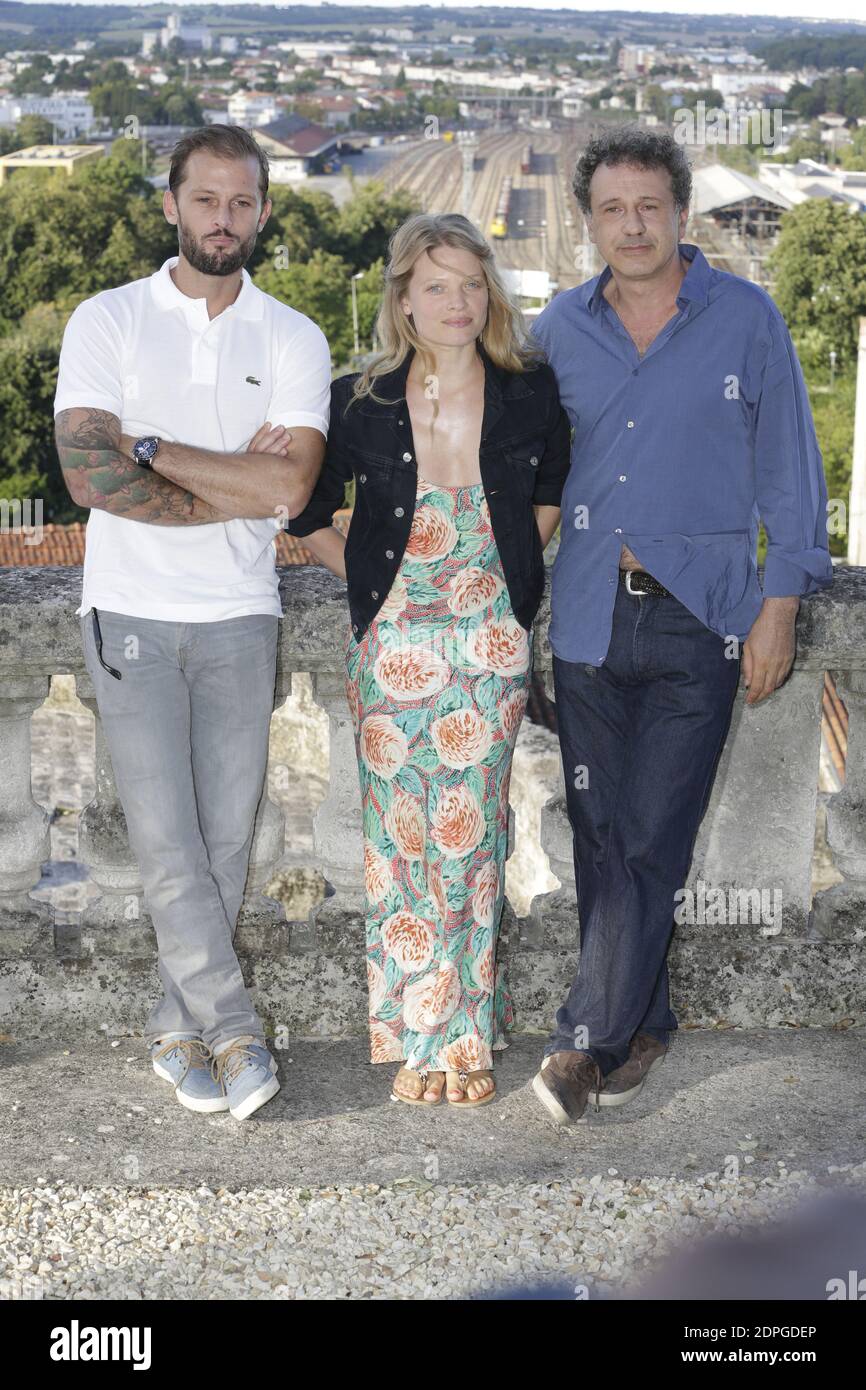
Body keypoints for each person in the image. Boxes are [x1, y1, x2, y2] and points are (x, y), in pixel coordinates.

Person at [530, 125, 833, 1126]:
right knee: (598, 836)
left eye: (647, 206)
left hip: (699, 620)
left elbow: (790, 471)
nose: (630, 224)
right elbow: (507, 468)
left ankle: (583, 1040)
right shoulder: (553, 332)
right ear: (586, 222)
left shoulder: (744, 320)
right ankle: (644, 1019)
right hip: (581, 620)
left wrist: (778, 604)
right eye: (610, 209)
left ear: (680, 214)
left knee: (653, 835)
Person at [53, 124, 331, 1120]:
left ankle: (176, 1029)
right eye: (204, 199)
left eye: (242, 202)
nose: (223, 219)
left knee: (222, 843)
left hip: (238, 615)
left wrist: (156, 447)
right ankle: (232, 1030)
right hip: (128, 611)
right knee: (169, 842)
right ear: (172, 204)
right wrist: (235, 484)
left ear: (261, 211)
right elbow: (87, 472)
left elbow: (293, 484)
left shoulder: (293, 336)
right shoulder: (108, 319)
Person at [287, 213, 571, 1107]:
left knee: (470, 838)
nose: (458, 302)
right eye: (438, 284)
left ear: (490, 295)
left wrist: (492, 588)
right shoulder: (359, 398)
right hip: (391, 639)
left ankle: (464, 1033)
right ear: (404, 298)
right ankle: (416, 1035)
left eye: (472, 284)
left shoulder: (529, 390)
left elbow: (550, 497)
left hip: (488, 641)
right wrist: (379, 582)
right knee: (400, 842)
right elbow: (304, 513)